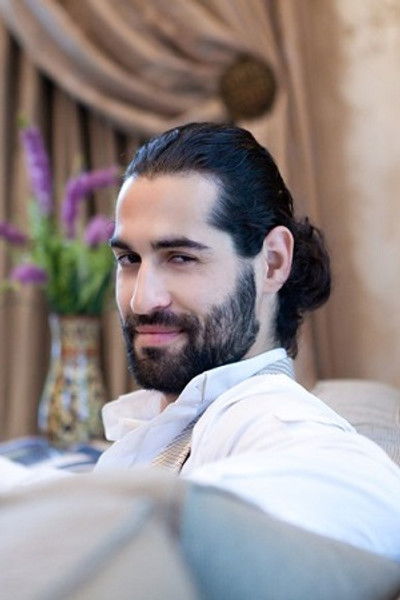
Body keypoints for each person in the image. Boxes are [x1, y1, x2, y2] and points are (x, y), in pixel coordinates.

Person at [95, 122, 400, 562]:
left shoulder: (267, 418)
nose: (142, 299)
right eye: (129, 259)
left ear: (272, 262)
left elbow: (373, 497)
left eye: (180, 257)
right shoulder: (184, 420)